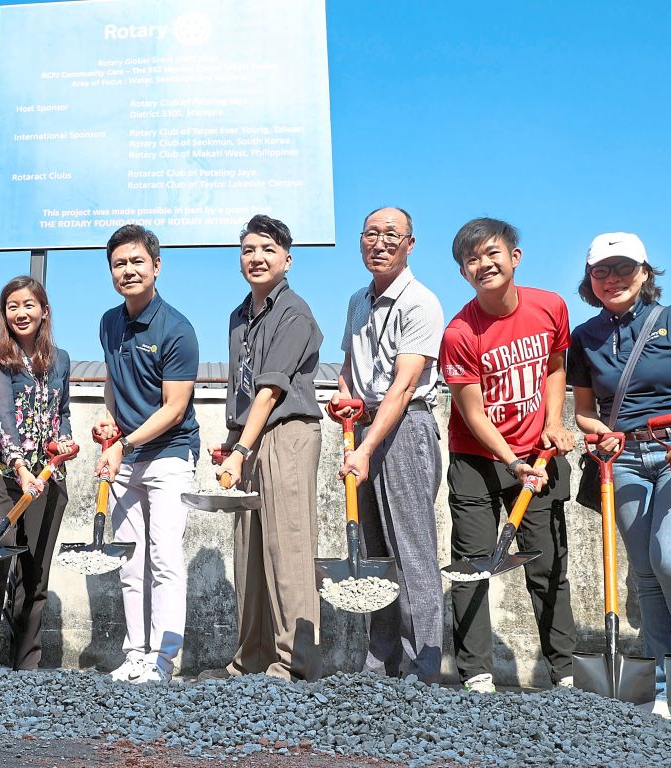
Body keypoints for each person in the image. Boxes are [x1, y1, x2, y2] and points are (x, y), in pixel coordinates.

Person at [439, 217, 577, 692]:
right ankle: (476, 674)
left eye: (491, 253)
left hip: (538, 457)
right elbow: (473, 413)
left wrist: (554, 423)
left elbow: (556, 366)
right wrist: (510, 461)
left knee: (546, 566)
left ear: (513, 257)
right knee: (472, 564)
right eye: (471, 259)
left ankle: (565, 675)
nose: (483, 264)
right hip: (477, 460)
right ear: (463, 272)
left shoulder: (550, 306)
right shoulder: (459, 332)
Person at [567, 232, 671, 695]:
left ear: (645, 272)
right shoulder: (584, 338)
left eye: (624, 268)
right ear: (590, 279)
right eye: (601, 271)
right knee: (645, 572)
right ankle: (667, 687)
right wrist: (598, 432)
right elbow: (585, 411)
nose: (613, 279)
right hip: (624, 457)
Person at [200, 214, 323, 682]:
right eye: (249, 250)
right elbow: (243, 388)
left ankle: (296, 662)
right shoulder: (239, 317)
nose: (257, 257)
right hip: (251, 439)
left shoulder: (295, 312)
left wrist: (241, 448)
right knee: (248, 549)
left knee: (286, 546)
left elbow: (271, 391)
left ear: (287, 260)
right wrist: (233, 440)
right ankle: (249, 660)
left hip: (288, 433)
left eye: (268, 249)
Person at [333, 207, 445, 683]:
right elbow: (346, 366)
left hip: (405, 429)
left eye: (391, 236)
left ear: (410, 245)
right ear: (360, 242)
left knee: (412, 550)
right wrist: (341, 400)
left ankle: (426, 666)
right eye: (371, 235)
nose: (380, 243)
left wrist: (364, 446)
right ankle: (382, 664)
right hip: (365, 430)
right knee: (375, 554)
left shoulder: (420, 302)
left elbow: (402, 387)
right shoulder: (358, 301)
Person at [95, 224, 199, 684]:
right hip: (126, 455)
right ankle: (135, 652)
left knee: (164, 559)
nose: (129, 270)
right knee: (129, 561)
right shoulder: (108, 322)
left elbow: (175, 409)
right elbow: (114, 384)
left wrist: (124, 443)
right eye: (120, 263)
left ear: (157, 266)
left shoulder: (177, 329)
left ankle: (163, 658)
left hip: (170, 456)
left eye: (138, 261)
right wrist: (110, 427)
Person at [0, 276, 74, 670]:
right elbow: (1, 418)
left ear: (44, 311)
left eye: (28, 304)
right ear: (4, 314)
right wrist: (19, 467)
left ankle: (26, 666)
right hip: (2, 475)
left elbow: (61, 413)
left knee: (36, 573)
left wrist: (64, 440)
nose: (21, 313)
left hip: (46, 478)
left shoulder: (61, 359)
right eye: (12, 306)